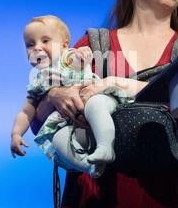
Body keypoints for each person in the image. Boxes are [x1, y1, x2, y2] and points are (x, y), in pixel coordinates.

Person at [30, 0, 178, 208]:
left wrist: (121, 84)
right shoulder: (94, 44)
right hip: (93, 197)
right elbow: (38, 124)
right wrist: (54, 96)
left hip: (163, 197)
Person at [10, 15, 133, 179]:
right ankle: (90, 166)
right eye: (30, 45)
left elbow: (80, 58)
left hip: (95, 99)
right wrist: (16, 134)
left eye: (45, 41)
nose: (37, 48)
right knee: (59, 140)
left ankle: (105, 146)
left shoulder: (68, 58)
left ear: (65, 44)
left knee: (96, 105)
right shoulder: (38, 81)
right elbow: (26, 112)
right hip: (70, 124)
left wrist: (82, 54)